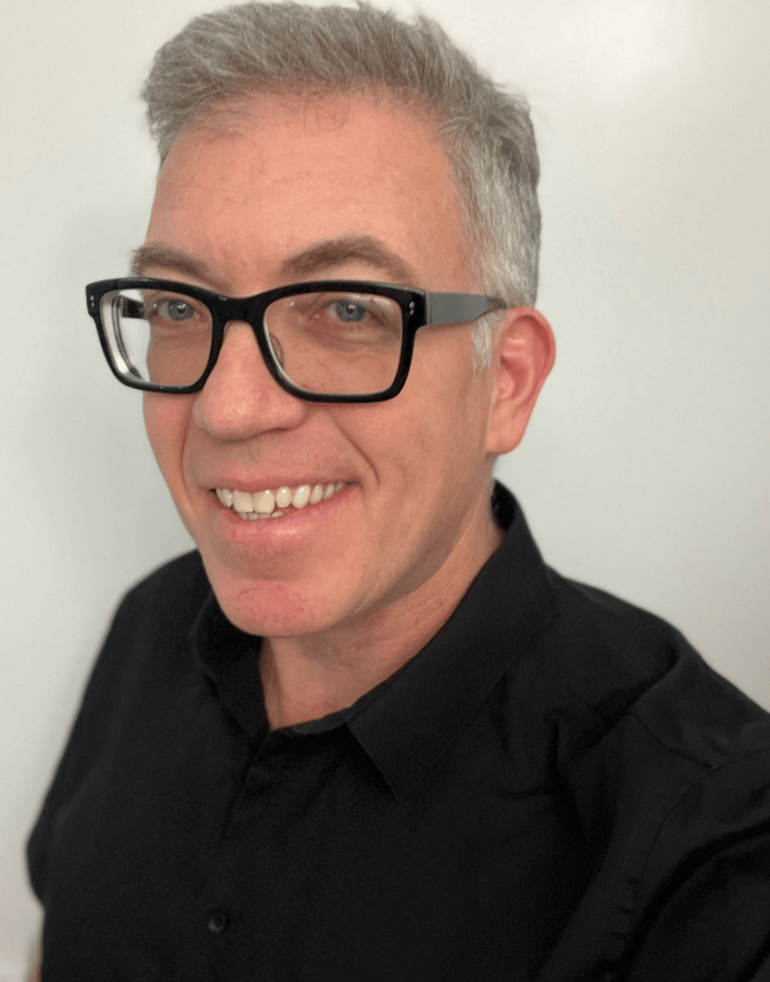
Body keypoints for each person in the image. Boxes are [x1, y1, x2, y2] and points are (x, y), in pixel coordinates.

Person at [26, 3, 770, 979]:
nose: (227, 408)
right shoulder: (148, 629)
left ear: (505, 382)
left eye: (346, 307)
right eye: (176, 303)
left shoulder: (703, 839)